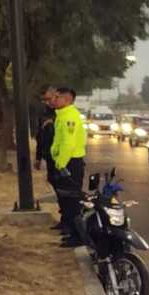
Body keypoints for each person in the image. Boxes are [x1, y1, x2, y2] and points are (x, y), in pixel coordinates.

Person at [49, 86, 87, 246]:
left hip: (70, 163)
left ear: (67, 99)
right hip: (66, 162)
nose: (54, 100)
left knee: (72, 202)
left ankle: (77, 237)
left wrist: (61, 164)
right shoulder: (62, 115)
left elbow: (68, 144)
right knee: (66, 200)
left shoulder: (69, 117)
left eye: (57, 97)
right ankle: (70, 231)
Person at [32, 87, 60, 228]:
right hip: (48, 155)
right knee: (53, 181)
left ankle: (68, 220)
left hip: (61, 158)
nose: (48, 102)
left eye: (50, 99)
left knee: (64, 189)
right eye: (46, 100)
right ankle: (63, 218)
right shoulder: (43, 113)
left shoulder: (62, 114)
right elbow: (39, 136)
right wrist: (38, 157)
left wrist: (53, 124)